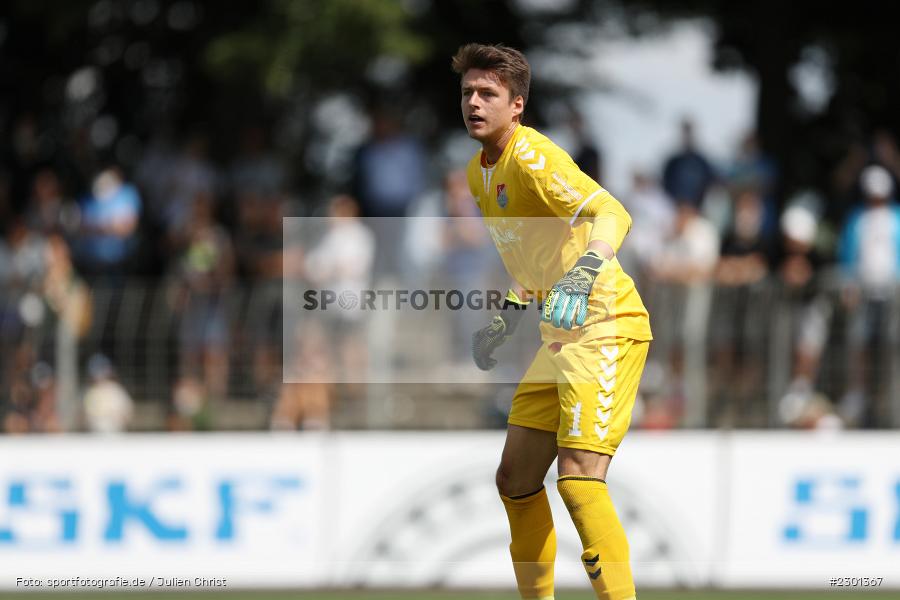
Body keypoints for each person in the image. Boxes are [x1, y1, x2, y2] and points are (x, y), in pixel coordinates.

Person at [454, 43, 652, 600]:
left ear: (516, 105)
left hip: (605, 322)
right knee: (515, 479)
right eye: (468, 92)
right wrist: (506, 320)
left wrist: (588, 268)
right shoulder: (478, 173)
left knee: (579, 476)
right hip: (558, 334)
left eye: (488, 93)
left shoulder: (532, 157)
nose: (474, 101)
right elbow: (536, 262)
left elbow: (611, 212)